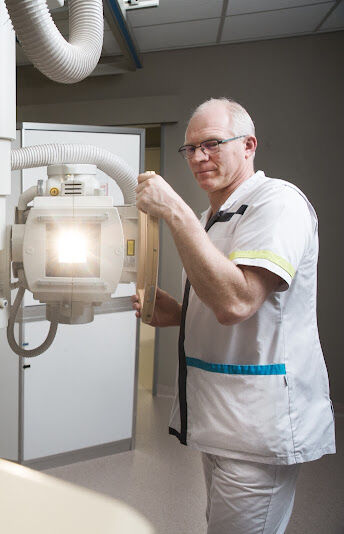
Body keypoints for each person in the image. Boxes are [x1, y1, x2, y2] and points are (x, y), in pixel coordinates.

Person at [133, 98, 335, 533]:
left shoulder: (277, 203)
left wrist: (174, 210)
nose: (199, 157)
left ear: (248, 146)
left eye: (212, 144)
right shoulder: (215, 214)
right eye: (191, 149)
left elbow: (237, 302)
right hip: (221, 418)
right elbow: (232, 303)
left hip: (258, 425)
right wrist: (181, 314)